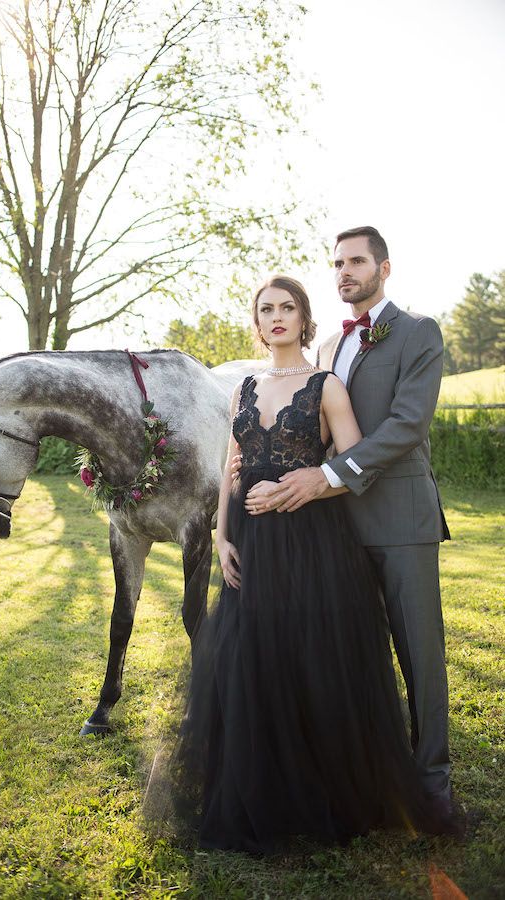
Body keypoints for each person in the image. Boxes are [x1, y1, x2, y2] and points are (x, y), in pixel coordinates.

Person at [176, 274, 451, 854]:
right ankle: (263, 788)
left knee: (309, 659)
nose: (277, 317)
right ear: (257, 322)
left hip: (310, 540)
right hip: (250, 542)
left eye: (288, 307)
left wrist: (304, 487)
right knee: (252, 661)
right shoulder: (243, 387)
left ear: (304, 318)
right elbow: (232, 466)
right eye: (266, 309)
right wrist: (223, 536)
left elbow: (352, 465)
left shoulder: (326, 384)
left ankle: (325, 790)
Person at [243, 228, 454, 829]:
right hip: (331, 532)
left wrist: (326, 475)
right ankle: (362, 773)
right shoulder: (332, 345)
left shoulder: (418, 332)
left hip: (398, 520)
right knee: (351, 656)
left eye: (356, 261)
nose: (344, 272)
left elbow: (407, 427)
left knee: (419, 653)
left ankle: (433, 779)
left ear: (384, 267)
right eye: (337, 263)